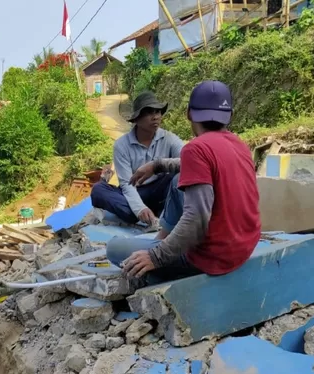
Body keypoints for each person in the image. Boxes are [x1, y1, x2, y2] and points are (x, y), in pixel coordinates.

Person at [106, 80, 261, 284]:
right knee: (178, 179)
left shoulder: (195, 148)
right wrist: (158, 165)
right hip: (243, 248)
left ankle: (160, 259)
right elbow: (200, 163)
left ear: (189, 113)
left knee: (114, 248)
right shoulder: (239, 144)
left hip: (212, 258)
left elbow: (196, 220)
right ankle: (162, 239)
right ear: (230, 115)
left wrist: (155, 257)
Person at [90, 91, 184, 227]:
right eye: (149, 113)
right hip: (135, 191)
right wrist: (139, 208)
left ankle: (155, 214)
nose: (155, 117)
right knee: (98, 190)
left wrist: (158, 165)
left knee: (178, 175)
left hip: (160, 191)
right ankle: (140, 214)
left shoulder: (169, 139)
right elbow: (126, 184)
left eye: (157, 112)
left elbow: (190, 161)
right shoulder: (121, 145)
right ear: (137, 119)